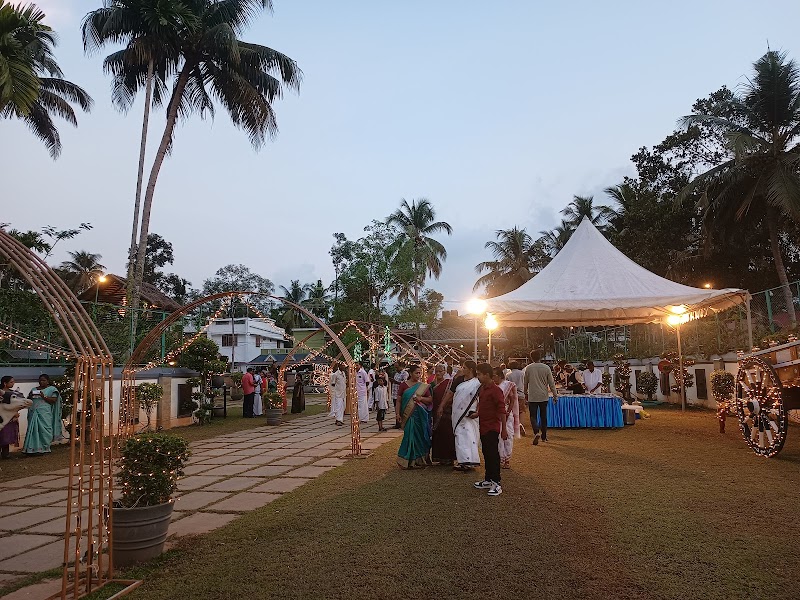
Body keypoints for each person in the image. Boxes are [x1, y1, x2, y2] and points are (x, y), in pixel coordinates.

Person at [472, 363, 507, 497]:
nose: (478, 377)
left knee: (493, 454)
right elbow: (483, 406)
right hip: (483, 426)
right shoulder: (483, 388)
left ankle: (496, 482)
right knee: (486, 453)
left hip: (492, 427)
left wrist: (504, 429)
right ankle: (488, 479)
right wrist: (477, 414)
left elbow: (502, 410)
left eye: (479, 374)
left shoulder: (496, 390)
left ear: (486, 375)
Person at [396, 364, 432, 469]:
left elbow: (430, 399)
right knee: (408, 436)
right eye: (416, 373)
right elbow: (399, 401)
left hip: (420, 417)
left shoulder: (423, 386)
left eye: (420, 373)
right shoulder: (403, 385)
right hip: (408, 416)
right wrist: (397, 414)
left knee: (420, 437)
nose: (418, 375)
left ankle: (419, 460)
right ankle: (406, 461)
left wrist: (421, 399)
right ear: (410, 373)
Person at [524, 349, 559, 445]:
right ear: (540, 357)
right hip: (543, 396)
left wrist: (525, 393)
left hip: (532, 396)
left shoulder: (528, 368)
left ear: (531, 358)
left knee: (533, 416)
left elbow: (525, 383)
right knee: (543, 416)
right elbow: (551, 383)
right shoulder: (546, 368)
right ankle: (544, 436)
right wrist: (555, 395)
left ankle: (536, 432)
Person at [451, 361, 481, 471]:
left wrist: (477, 411)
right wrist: (442, 406)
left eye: (464, 367)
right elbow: (451, 393)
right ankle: (463, 461)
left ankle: (471, 461)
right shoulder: (459, 380)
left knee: (470, 436)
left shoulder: (477, 382)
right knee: (460, 436)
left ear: (471, 369)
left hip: (471, 413)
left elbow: (481, 398)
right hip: (458, 413)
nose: (462, 369)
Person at [23, 374, 60, 455]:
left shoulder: (52, 389)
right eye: (40, 380)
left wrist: (44, 396)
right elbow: (28, 400)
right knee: (33, 430)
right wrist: (30, 395)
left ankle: (45, 448)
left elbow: (54, 400)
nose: (41, 382)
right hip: (33, 412)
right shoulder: (34, 389)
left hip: (45, 413)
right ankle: (31, 449)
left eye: (43, 380)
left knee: (45, 429)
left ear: (48, 381)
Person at [431, 364, 456, 466]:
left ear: (445, 372)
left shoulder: (449, 383)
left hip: (447, 412)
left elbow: (452, 396)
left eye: (440, 371)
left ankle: (449, 458)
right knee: (438, 435)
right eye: (436, 371)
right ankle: (439, 458)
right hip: (435, 412)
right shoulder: (432, 384)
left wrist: (445, 405)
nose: (438, 373)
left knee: (447, 435)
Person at [494, 367, 518, 468]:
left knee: (507, 437)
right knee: (497, 437)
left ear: (500, 376)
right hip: (495, 414)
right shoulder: (492, 386)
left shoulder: (507, 385)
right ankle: (500, 458)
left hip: (506, 413)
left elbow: (512, 399)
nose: (493, 378)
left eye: (494, 375)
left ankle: (506, 460)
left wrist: (508, 412)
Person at [1, 376, 23, 459]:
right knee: (2, 434)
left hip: (11, 418)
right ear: (5, 383)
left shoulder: (13, 393)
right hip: (2, 417)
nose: (13, 383)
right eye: (11, 382)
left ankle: (5, 454)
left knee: (7, 435)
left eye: (13, 382)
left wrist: (15, 412)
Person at [506, 361, 526, 437]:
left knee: (512, 411)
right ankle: (521, 425)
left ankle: (515, 426)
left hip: (512, 395)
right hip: (521, 394)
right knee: (522, 411)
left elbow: (507, 385)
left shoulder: (508, 375)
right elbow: (525, 383)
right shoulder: (522, 373)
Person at [392, 364, 408, 428]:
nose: (396, 369)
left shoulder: (405, 373)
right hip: (394, 394)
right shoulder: (396, 374)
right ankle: (397, 423)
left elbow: (404, 383)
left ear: (401, 366)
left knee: (401, 409)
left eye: (397, 367)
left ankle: (402, 423)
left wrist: (396, 382)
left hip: (401, 394)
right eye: (395, 367)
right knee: (396, 409)